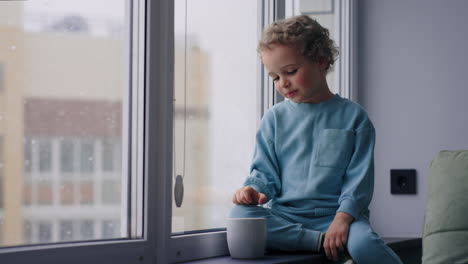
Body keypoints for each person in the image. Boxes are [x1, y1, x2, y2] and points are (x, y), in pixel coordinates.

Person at [230, 15, 402, 264]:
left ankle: (337, 238)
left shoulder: (354, 117)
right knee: (240, 216)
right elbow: (264, 176)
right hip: (286, 217)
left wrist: (342, 220)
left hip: (341, 217)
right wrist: (252, 191)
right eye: (275, 77)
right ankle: (322, 242)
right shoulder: (273, 119)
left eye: (290, 72)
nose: (283, 83)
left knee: (365, 246)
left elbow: (358, 182)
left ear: (321, 61)